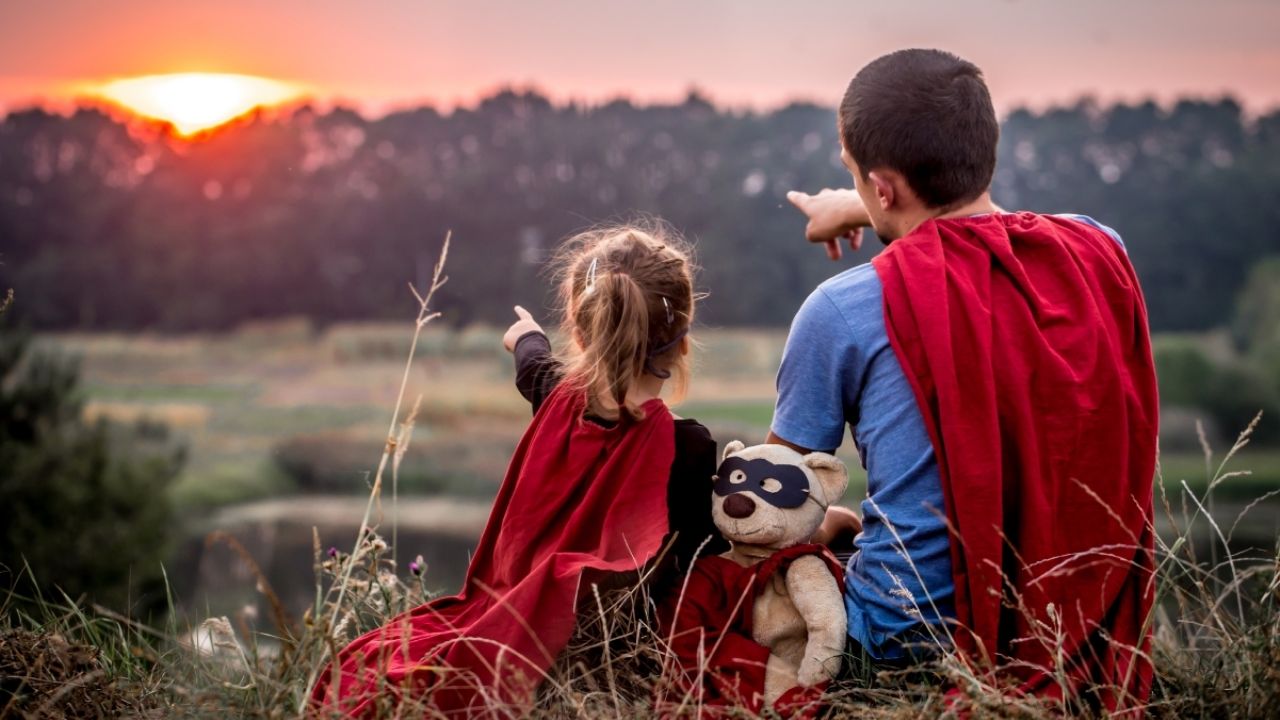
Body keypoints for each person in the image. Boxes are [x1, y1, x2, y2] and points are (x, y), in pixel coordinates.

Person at [775, 48, 1158, 712]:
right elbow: (978, 227)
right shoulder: (1102, 252)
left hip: (904, 642)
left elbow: (774, 503)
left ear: (883, 185)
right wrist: (865, 202)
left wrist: (833, 521)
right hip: (1080, 630)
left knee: (737, 587)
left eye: (857, 178)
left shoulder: (842, 309)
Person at [311, 224, 724, 717]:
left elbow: (533, 365)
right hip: (622, 651)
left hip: (518, 624)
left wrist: (525, 335)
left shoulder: (556, 400)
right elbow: (706, 554)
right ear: (682, 344)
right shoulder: (690, 446)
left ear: (578, 328)